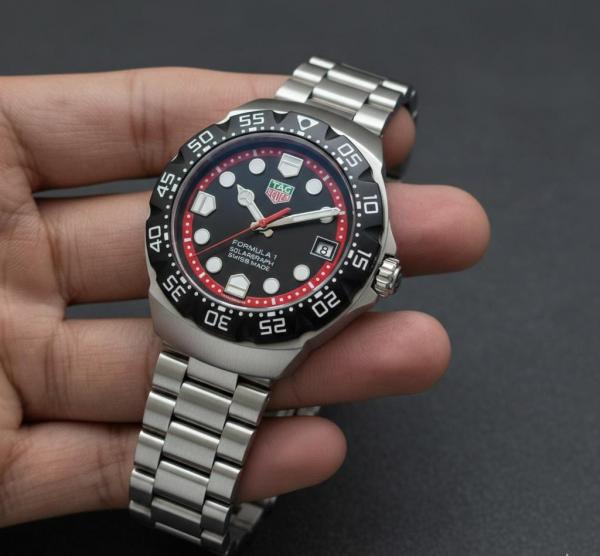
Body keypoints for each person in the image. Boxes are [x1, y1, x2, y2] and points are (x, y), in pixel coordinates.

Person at [0, 67, 490, 526]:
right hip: (189, 304)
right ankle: (194, 490)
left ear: (380, 274)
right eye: (259, 222)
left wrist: (264, 215)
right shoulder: (225, 171)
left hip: (255, 325)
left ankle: (203, 494)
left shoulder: (347, 232)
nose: (261, 228)